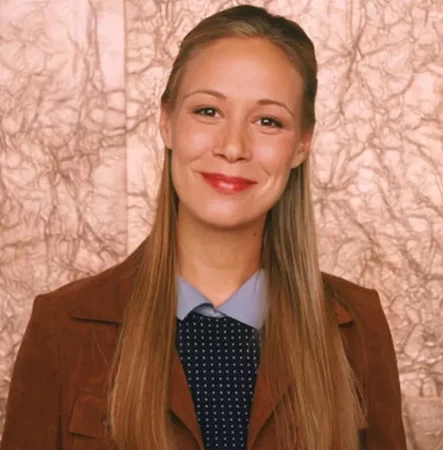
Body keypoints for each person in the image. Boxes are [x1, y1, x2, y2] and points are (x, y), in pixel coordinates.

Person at [0, 4, 406, 450]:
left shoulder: (358, 327)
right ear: (166, 122)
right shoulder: (63, 327)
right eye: (208, 111)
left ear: (301, 145)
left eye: (268, 121)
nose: (233, 147)